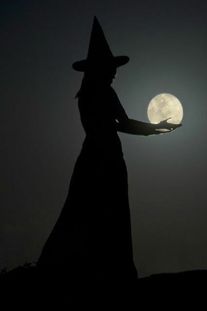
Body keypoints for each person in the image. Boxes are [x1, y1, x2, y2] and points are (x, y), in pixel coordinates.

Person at [37, 17, 181, 285]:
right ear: (100, 69)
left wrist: (152, 129)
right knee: (109, 210)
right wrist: (153, 129)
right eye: (110, 68)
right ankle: (110, 272)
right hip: (107, 157)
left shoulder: (86, 96)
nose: (114, 73)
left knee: (81, 208)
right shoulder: (104, 92)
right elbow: (121, 124)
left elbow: (114, 125)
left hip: (91, 156)